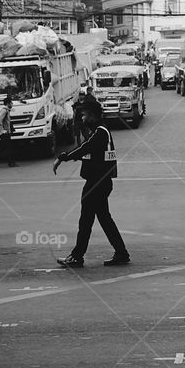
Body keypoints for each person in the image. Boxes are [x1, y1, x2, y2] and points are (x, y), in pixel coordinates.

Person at [54, 102, 130, 268]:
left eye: (85, 115)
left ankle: (77, 256)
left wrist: (63, 157)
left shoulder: (100, 133)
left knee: (86, 220)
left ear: (93, 115)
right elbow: (88, 152)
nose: (83, 118)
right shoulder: (99, 131)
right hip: (100, 182)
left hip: (97, 183)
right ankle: (121, 253)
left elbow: (84, 148)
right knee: (103, 218)